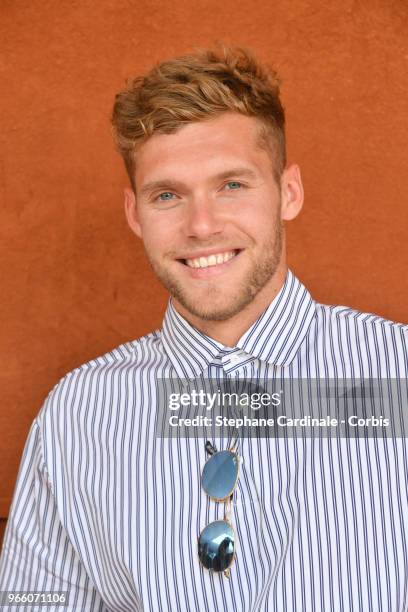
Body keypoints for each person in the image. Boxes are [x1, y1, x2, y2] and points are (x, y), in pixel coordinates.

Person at [0, 45, 407, 612]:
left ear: (288, 192)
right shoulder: (77, 413)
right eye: (167, 195)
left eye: (232, 185)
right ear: (134, 213)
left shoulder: (397, 377)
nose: (202, 226)